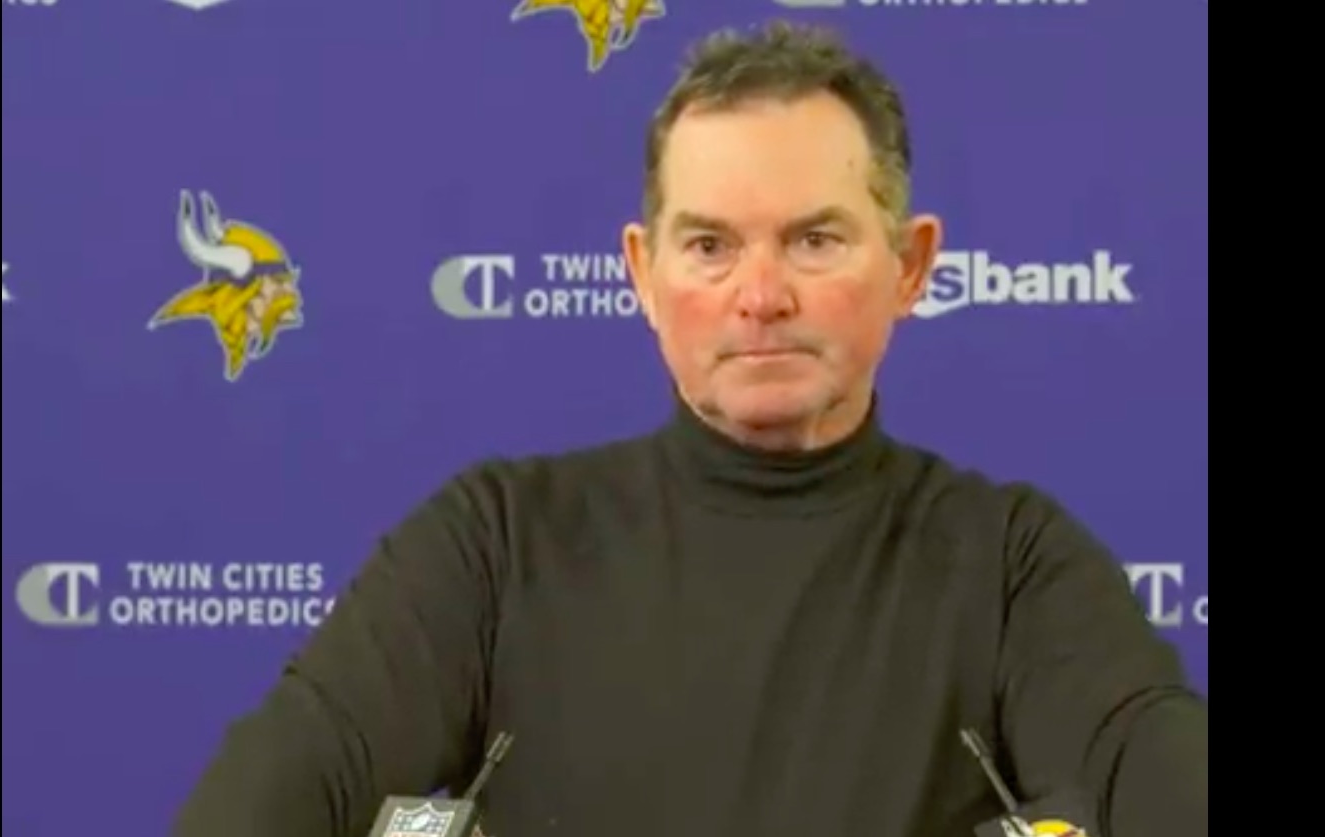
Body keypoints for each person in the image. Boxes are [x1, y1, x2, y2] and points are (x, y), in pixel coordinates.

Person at [173, 21, 1207, 837]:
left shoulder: (1013, 566)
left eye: (814, 239)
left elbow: (1157, 776)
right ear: (642, 271)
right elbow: (262, 800)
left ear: (911, 266)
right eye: (710, 245)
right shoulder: (495, 546)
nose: (760, 295)